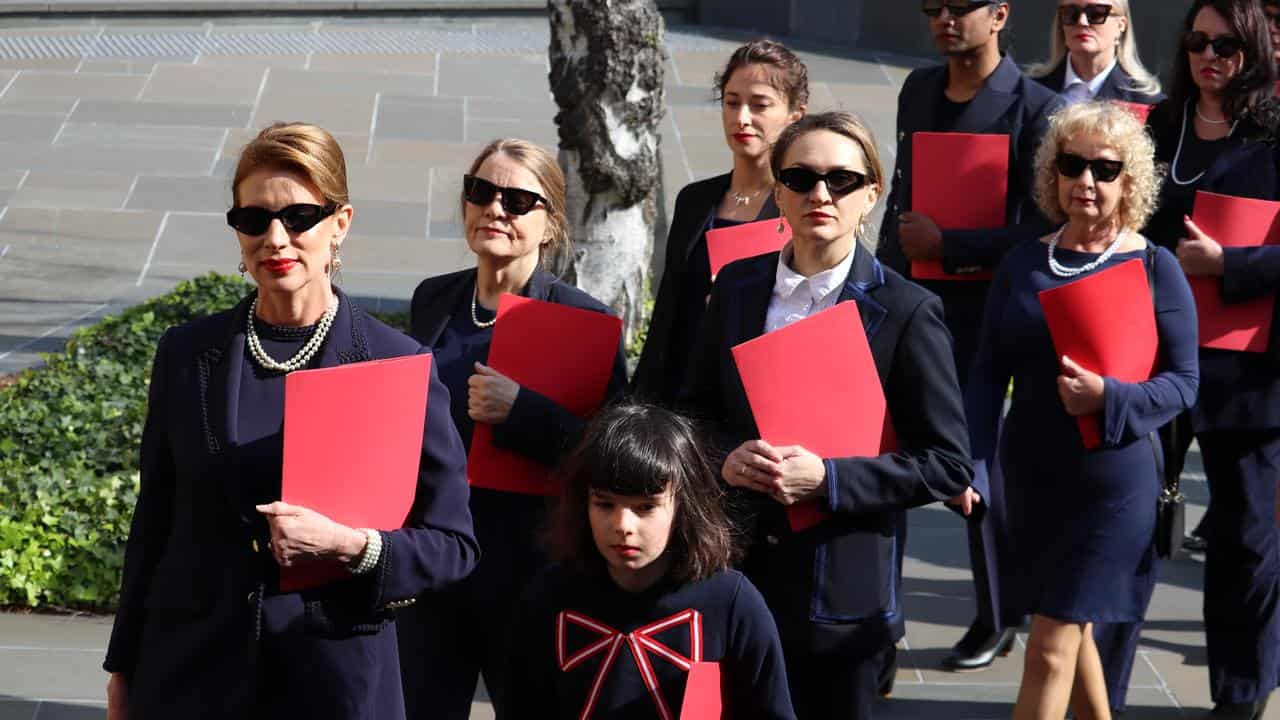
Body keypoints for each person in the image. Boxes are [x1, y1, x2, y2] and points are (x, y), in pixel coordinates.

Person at [102, 122, 479, 719]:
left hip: (334, 680)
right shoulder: (187, 353)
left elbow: (453, 545)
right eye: (253, 220)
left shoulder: (396, 364)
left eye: (299, 217)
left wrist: (354, 547)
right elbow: (156, 522)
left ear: (340, 224)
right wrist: (123, 666)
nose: (275, 238)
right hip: (191, 673)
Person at [681, 111, 977, 720]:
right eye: (801, 177)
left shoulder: (907, 309)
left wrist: (829, 479)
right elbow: (694, 413)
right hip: (736, 568)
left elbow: (947, 465)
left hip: (842, 589)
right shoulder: (736, 285)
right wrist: (723, 458)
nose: (821, 194)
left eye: (841, 180)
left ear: (871, 193)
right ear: (779, 191)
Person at [965, 101, 1199, 720]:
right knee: (1071, 629)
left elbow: (1183, 384)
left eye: (1104, 167)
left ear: (1130, 181)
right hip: (1032, 478)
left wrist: (1110, 397)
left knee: (1047, 646)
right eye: (1072, 164)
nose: (1086, 180)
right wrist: (972, 463)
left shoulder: (1155, 267)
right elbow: (987, 373)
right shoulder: (1022, 261)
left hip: (1113, 484)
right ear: (1053, 173)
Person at [398, 138, 628, 719]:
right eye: (482, 192)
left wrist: (523, 412)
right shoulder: (436, 299)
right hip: (435, 565)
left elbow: (617, 459)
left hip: (529, 574)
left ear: (550, 224)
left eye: (518, 199)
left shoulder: (584, 321)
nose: (495, 208)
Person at [878, 0, 1063, 673]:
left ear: (1001, 14)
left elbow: (1045, 228)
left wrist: (952, 245)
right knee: (885, 456)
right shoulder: (917, 89)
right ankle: (878, 621)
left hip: (983, 316)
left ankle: (997, 614)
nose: (945, 19)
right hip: (903, 303)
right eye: (934, 7)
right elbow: (900, 198)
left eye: (961, 7)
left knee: (973, 469)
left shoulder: (1035, 106)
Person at [502, 403, 796, 719]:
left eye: (645, 508)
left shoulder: (732, 603)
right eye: (604, 504)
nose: (623, 525)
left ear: (683, 506)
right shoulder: (548, 597)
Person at [632, 39, 807, 407]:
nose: (741, 118)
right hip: (678, 394)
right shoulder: (695, 200)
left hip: (750, 400)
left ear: (795, 115)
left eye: (759, 105)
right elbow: (668, 310)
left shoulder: (802, 207)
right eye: (731, 102)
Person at [1029, 0, 1164, 107]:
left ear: (1121, 24)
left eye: (1096, 13)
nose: (1082, 22)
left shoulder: (1146, 103)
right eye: (1071, 13)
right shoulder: (1030, 94)